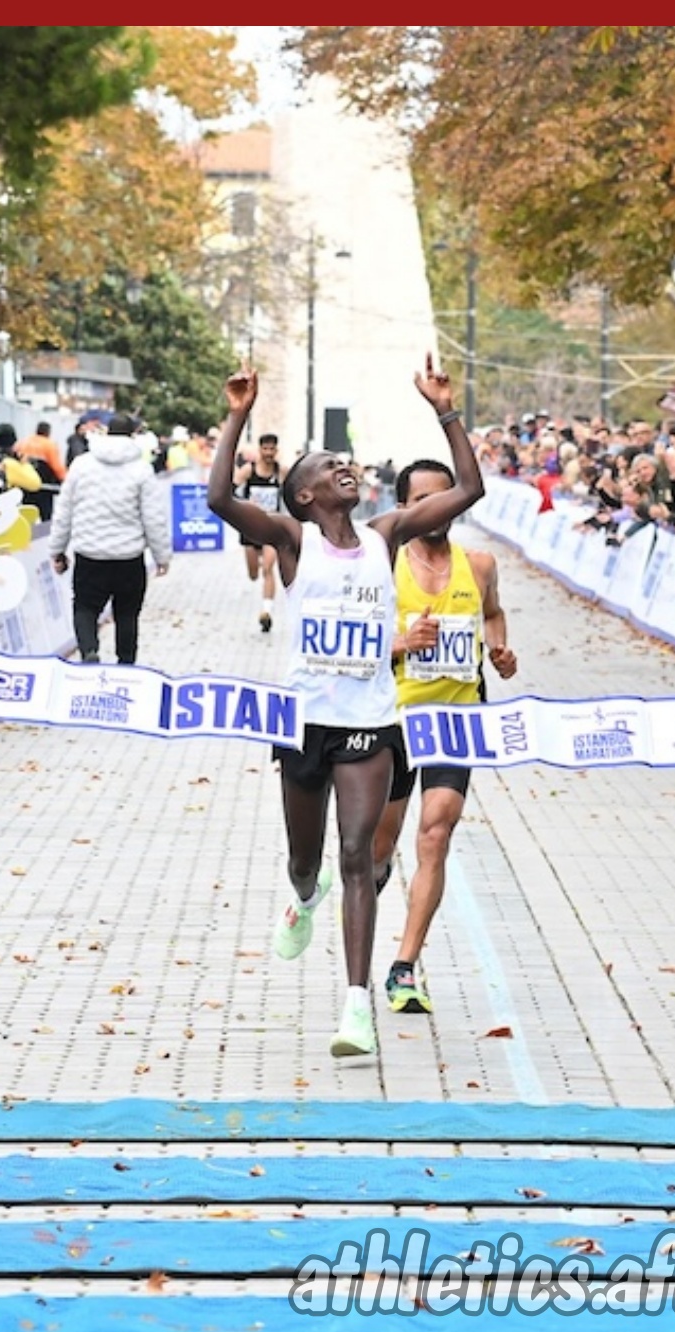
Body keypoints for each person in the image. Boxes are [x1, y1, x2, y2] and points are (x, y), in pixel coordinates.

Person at [205, 358, 481, 1058]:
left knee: (358, 853)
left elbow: (470, 489)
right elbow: (217, 502)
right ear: (303, 494)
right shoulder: (293, 542)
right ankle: (303, 895)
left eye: (346, 462)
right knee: (309, 861)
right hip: (304, 726)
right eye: (329, 467)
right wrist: (238, 414)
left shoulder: (386, 534)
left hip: (369, 724)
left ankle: (356, 1007)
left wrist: (445, 410)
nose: (345, 467)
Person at [366, 458, 517, 1016]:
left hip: (456, 722)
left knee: (436, 832)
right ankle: (362, 899)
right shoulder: (381, 565)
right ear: (404, 507)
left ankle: (405, 966)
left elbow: (494, 616)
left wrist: (499, 650)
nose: (434, 510)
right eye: (422, 500)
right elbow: (350, 644)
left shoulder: (478, 566)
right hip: (394, 719)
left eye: (443, 498)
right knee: (379, 847)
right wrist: (403, 643)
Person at [49, 414, 172, 664]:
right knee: (127, 614)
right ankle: (125, 665)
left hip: (90, 554)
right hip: (129, 558)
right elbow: (153, 518)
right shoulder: (142, 469)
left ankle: (89, 651)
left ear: (106, 433)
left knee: (84, 607)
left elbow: (64, 512)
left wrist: (57, 550)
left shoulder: (82, 465)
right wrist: (162, 556)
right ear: (133, 435)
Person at [236, 432, 284, 632]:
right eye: (265, 449)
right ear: (259, 450)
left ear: (276, 451)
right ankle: (258, 561)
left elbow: (293, 493)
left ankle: (267, 612)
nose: (269, 453)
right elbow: (230, 492)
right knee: (254, 574)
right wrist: (246, 504)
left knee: (268, 570)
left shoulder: (282, 472)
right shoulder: (249, 470)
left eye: (272, 449)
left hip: (271, 526)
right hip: (250, 526)